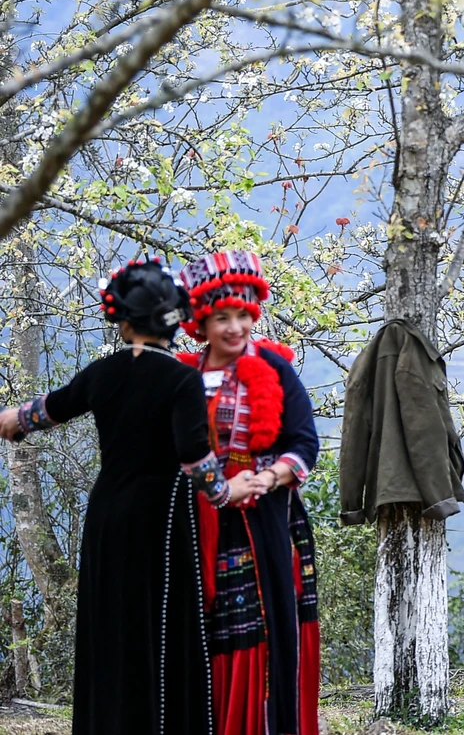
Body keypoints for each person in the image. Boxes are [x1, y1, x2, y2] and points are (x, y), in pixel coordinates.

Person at [0, 258, 237, 735]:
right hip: (163, 517)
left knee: (111, 619)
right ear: (174, 320)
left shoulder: (102, 373)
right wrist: (226, 492)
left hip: (108, 513)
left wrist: (13, 419)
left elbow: (46, 410)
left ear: (124, 323)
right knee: (162, 623)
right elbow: (194, 458)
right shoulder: (180, 380)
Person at [176, 249, 323, 735]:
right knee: (209, 629)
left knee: (265, 627)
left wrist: (272, 476)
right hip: (200, 522)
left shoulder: (275, 371)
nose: (235, 327)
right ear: (202, 320)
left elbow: (303, 441)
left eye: (242, 315)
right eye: (222, 317)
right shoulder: (182, 378)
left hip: (267, 519)